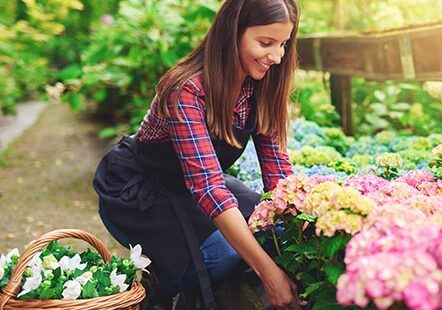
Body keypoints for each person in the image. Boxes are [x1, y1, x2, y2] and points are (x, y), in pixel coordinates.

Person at [93, 0, 302, 309]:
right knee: (223, 255)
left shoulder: (263, 84)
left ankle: (187, 278)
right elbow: (208, 189)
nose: (276, 56)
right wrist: (269, 273)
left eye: (283, 44)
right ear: (233, 34)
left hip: (193, 186)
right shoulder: (186, 88)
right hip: (140, 190)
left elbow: (278, 175)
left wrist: (306, 222)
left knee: (272, 229)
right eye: (265, 43)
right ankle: (151, 291)